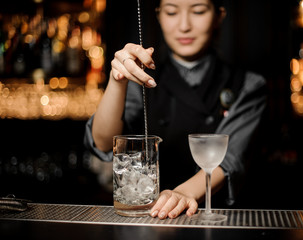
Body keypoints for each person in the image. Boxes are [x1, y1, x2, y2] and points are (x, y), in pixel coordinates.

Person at [84, 0, 267, 219]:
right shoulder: (141, 77)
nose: (184, 26)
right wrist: (118, 79)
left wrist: (183, 193)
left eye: (198, 11)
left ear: (219, 16)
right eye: (171, 12)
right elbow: (104, 143)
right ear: (159, 16)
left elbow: (231, 158)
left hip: (219, 219)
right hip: (152, 218)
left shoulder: (248, 83)